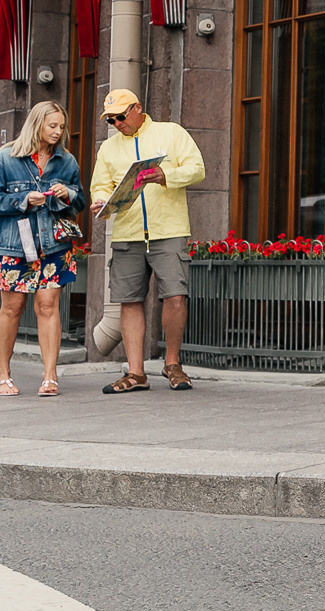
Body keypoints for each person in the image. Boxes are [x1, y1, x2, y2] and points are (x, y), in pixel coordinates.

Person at [89, 89, 206, 394]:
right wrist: (100, 200)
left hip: (168, 229)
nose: (116, 123)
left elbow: (198, 169)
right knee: (129, 300)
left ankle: (172, 363)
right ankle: (136, 372)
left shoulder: (171, 133)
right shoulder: (109, 148)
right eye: (110, 119)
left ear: (137, 108)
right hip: (127, 232)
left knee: (176, 296)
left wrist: (165, 175)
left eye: (120, 116)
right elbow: (100, 185)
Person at [0, 102, 84, 397]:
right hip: (15, 245)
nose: (58, 131)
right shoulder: (6, 158)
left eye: (61, 126)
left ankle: (50, 376)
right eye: (52, 126)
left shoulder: (67, 161)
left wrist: (68, 194)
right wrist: (23, 199)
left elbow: (80, 201)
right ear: (36, 124)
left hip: (54, 245)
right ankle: (3, 375)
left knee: (48, 307)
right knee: (12, 308)